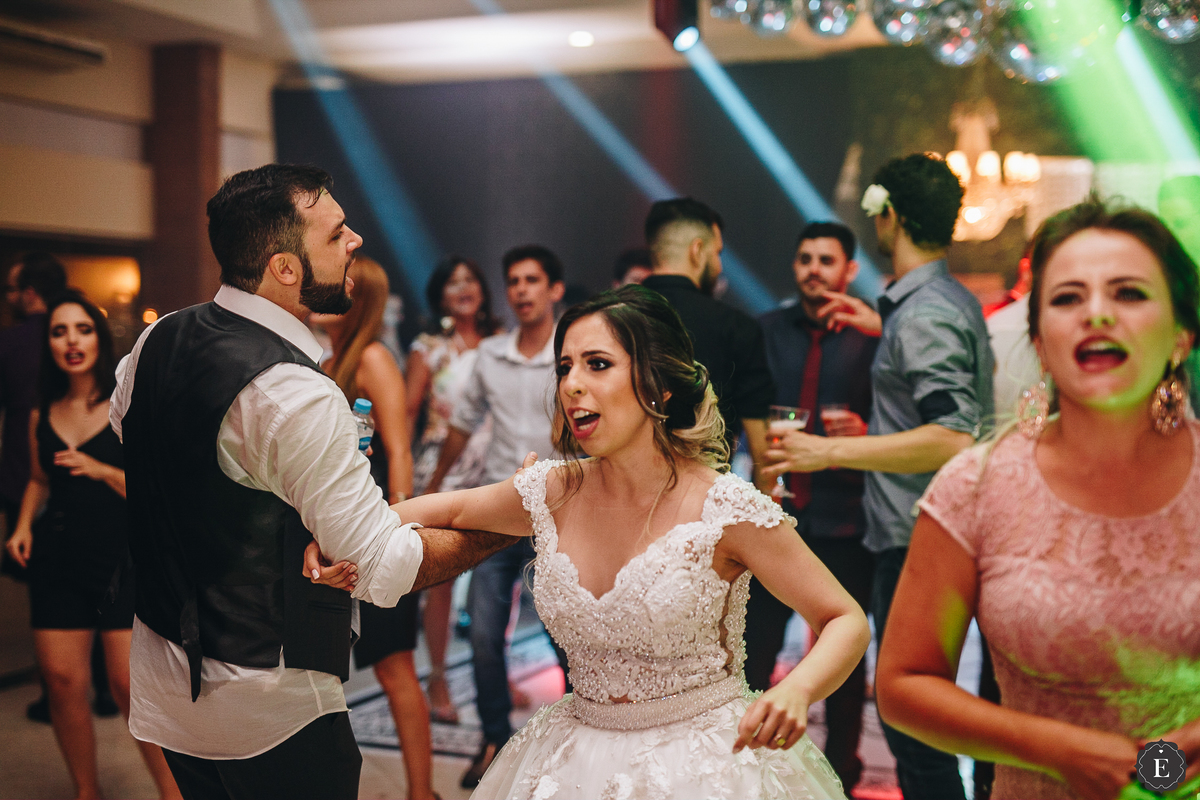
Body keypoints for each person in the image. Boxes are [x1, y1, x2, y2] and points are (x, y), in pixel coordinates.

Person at [111, 164, 515, 800]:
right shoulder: (294, 394)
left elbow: (143, 440)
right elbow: (384, 567)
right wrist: (508, 524)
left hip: (166, 689)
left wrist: (280, 519)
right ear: (285, 268)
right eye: (335, 234)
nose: (355, 240)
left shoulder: (158, 338)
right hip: (268, 703)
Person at [391, 284, 869, 798]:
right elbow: (450, 508)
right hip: (570, 762)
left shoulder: (726, 507)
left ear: (659, 385)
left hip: (704, 768)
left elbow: (845, 619)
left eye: (597, 364)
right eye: (565, 367)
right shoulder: (555, 488)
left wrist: (798, 689)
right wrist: (343, 536)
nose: (572, 385)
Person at [875, 196, 1200, 800]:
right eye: (1067, 298)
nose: (1097, 315)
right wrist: (1051, 748)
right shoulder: (975, 486)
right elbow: (903, 684)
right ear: (1040, 342)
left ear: (1181, 334)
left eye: (1128, 293)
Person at [765, 153, 994, 800]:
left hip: (918, 537)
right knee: (914, 723)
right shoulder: (929, 303)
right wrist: (884, 323)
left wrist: (827, 454)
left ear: (887, 214)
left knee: (913, 731)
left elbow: (954, 433)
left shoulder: (923, 313)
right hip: (914, 533)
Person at [5, 291, 181, 800]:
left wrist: (102, 470)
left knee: (130, 689)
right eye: (59, 332)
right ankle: (87, 791)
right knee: (61, 682)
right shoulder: (42, 412)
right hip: (58, 557)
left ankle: (174, 793)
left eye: (81, 329)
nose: (71, 341)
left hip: (121, 559)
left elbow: (156, 486)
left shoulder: (124, 401)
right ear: (50, 345)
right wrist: (20, 527)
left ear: (97, 338)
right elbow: (39, 480)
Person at [423, 244, 569, 789]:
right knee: (485, 635)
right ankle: (491, 737)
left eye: (533, 280)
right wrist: (436, 486)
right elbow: (462, 423)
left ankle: (582, 740)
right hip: (501, 513)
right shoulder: (491, 354)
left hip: (561, 513)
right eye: (514, 280)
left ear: (555, 289)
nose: (522, 290)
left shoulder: (571, 352)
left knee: (566, 631)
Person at [752, 221, 878, 791]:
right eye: (805, 259)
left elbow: (900, 421)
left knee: (843, 659)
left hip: (847, 515)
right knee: (756, 650)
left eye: (827, 260)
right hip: (775, 514)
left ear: (848, 271)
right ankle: (749, 770)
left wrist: (865, 429)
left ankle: (842, 776)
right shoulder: (768, 330)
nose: (813, 270)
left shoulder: (871, 335)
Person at [313, 256, 434, 800]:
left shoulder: (374, 358)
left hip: (377, 525)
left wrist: (398, 524)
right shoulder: (325, 357)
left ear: (355, 296)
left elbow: (399, 448)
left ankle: (420, 792)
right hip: (334, 527)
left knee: (394, 667)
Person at [405, 256, 500, 724]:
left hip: (495, 462)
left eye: (471, 279)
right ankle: (437, 677)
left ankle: (496, 668)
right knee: (440, 575)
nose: (463, 287)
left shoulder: (502, 343)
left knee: (498, 568)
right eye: (453, 282)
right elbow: (407, 410)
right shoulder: (429, 347)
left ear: (482, 290)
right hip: (441, 464)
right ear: (441, 294)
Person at [641, 199, 775, 488]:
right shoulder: (738, 327)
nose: (719, 265)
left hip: (620, 500)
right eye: (717, 253)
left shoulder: (608, 316)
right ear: (697, 250)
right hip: (704, 505)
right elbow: (761, 448)